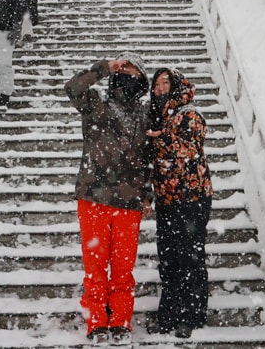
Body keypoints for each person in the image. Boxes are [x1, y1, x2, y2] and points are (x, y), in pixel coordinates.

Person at [64, 53, 153, 346]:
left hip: (129, 203)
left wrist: (147, 195)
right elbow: (72, 88)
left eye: (133, 70)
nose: (127, 73)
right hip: (94, 198)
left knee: (123, 270)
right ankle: (96, 322)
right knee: (95, 267)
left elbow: (147, 159)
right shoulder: (97, 104)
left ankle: (121, 322)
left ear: (142, 79)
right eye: (122, 67)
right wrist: (104, 67)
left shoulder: (144, 114)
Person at [146, 67, 213, 339]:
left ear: (177, 86)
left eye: (166, 83)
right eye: (156, 84)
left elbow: (188, 149)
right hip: (166, 199)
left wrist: (159, 137)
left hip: (192, 199)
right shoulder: (157, 115)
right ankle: (169, 311)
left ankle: (191, 314)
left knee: (190, 257)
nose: (160, 88)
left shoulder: (190, 113)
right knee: (169, 257)